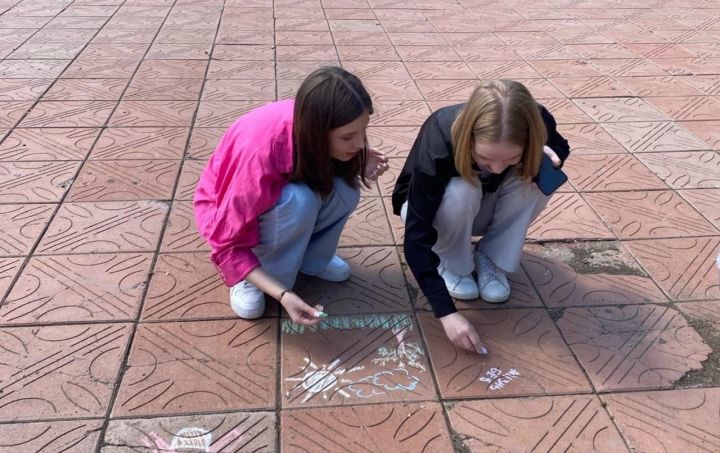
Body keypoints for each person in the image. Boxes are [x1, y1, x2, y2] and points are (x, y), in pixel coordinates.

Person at [194, 66, 389, 327]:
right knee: (299, 201)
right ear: (317, 132)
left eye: (363, 132)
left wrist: (357, 162)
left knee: (346, 189)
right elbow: (226, 242)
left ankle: (311, 259)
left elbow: (323, 160)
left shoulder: (315, 127)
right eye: (348, 137)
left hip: (283, 187)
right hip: (229, 213)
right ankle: (255, 278)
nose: (361, 144)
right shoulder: (258, 155)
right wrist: (283, 294)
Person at [392, 80, 570, 353]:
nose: (497, 168)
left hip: (486, 206)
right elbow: (416, 238)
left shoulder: (538, 120)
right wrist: (445, 312)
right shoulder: (441, 132)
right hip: (435, 211)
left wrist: (547, 157)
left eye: (509, 158)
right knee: (462, 188)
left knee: (533, 182)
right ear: (469, 137)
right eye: (486, 159)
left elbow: (561, 148)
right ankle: (452, 263)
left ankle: (492, 258)